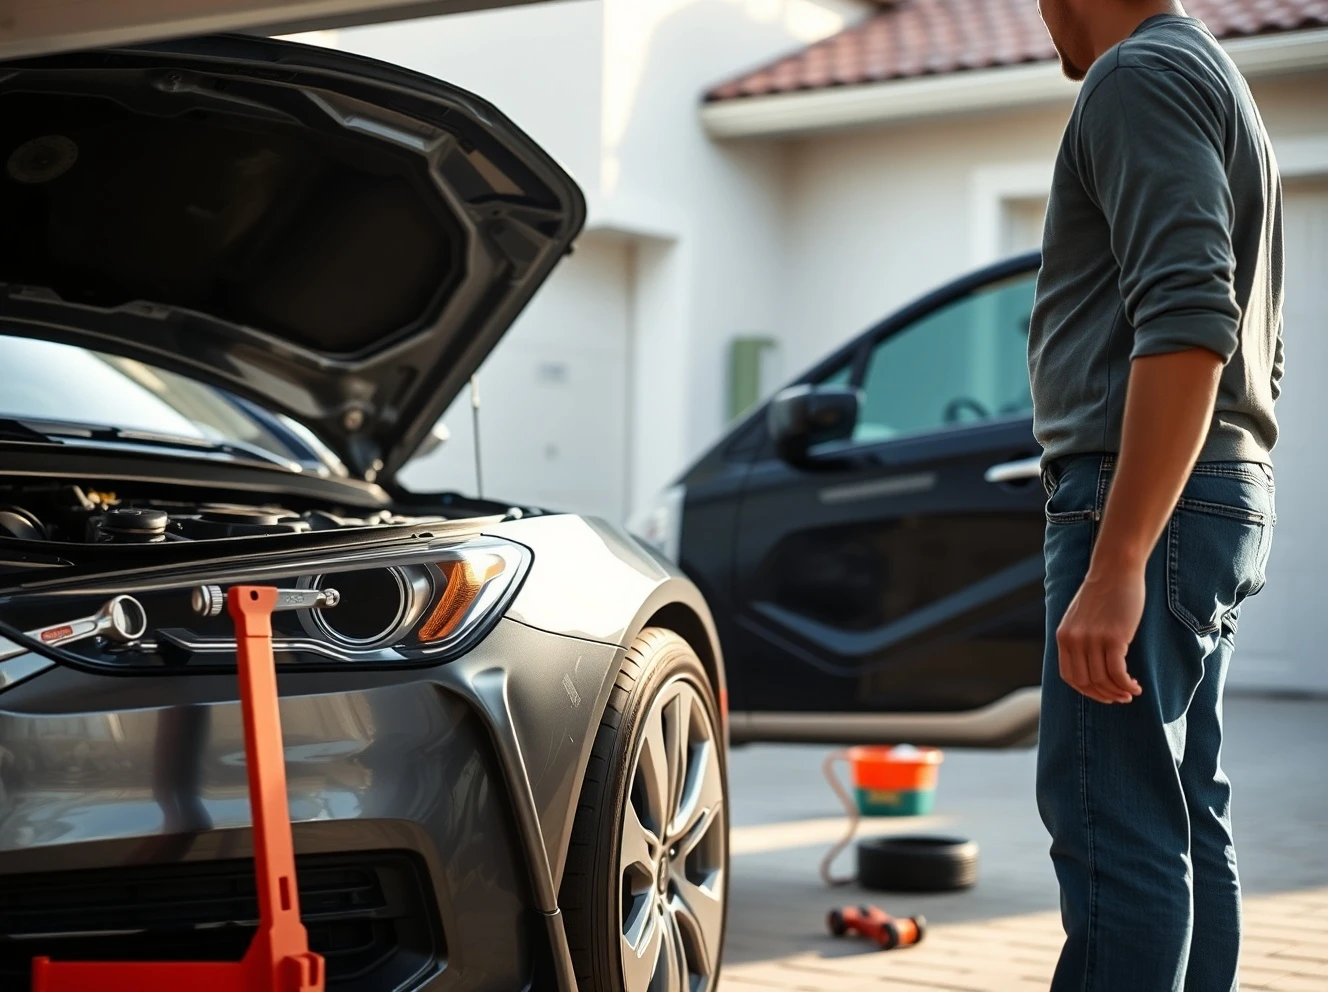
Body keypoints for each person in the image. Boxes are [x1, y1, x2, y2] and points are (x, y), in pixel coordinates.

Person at [1028, 1, 1283, 989]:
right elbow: (1255, 339)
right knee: (1181, 808)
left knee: (1115, 824)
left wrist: (1119, 555)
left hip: (1143, 501)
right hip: (1214, 490)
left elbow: (1190, 317)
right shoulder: (1214, 77)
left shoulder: (1137, 76)